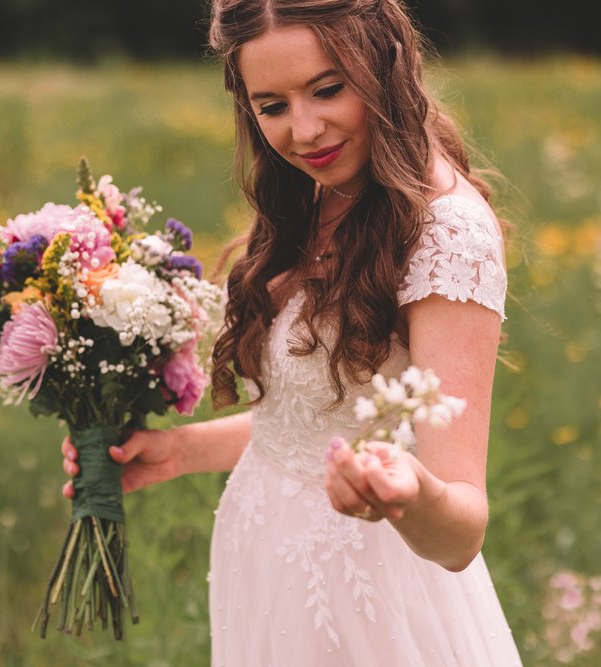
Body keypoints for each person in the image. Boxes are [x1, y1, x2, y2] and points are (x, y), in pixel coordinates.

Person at [62, 0, 523, 664]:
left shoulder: (447, 232)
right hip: (264, 562)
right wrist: (180, 452)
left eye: (327, 89)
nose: (304, 131)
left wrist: (408, 492)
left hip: (369, 592)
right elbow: (316, 421)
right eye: (271, 105)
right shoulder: (319, 188)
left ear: (384, 65)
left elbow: (461, 530)